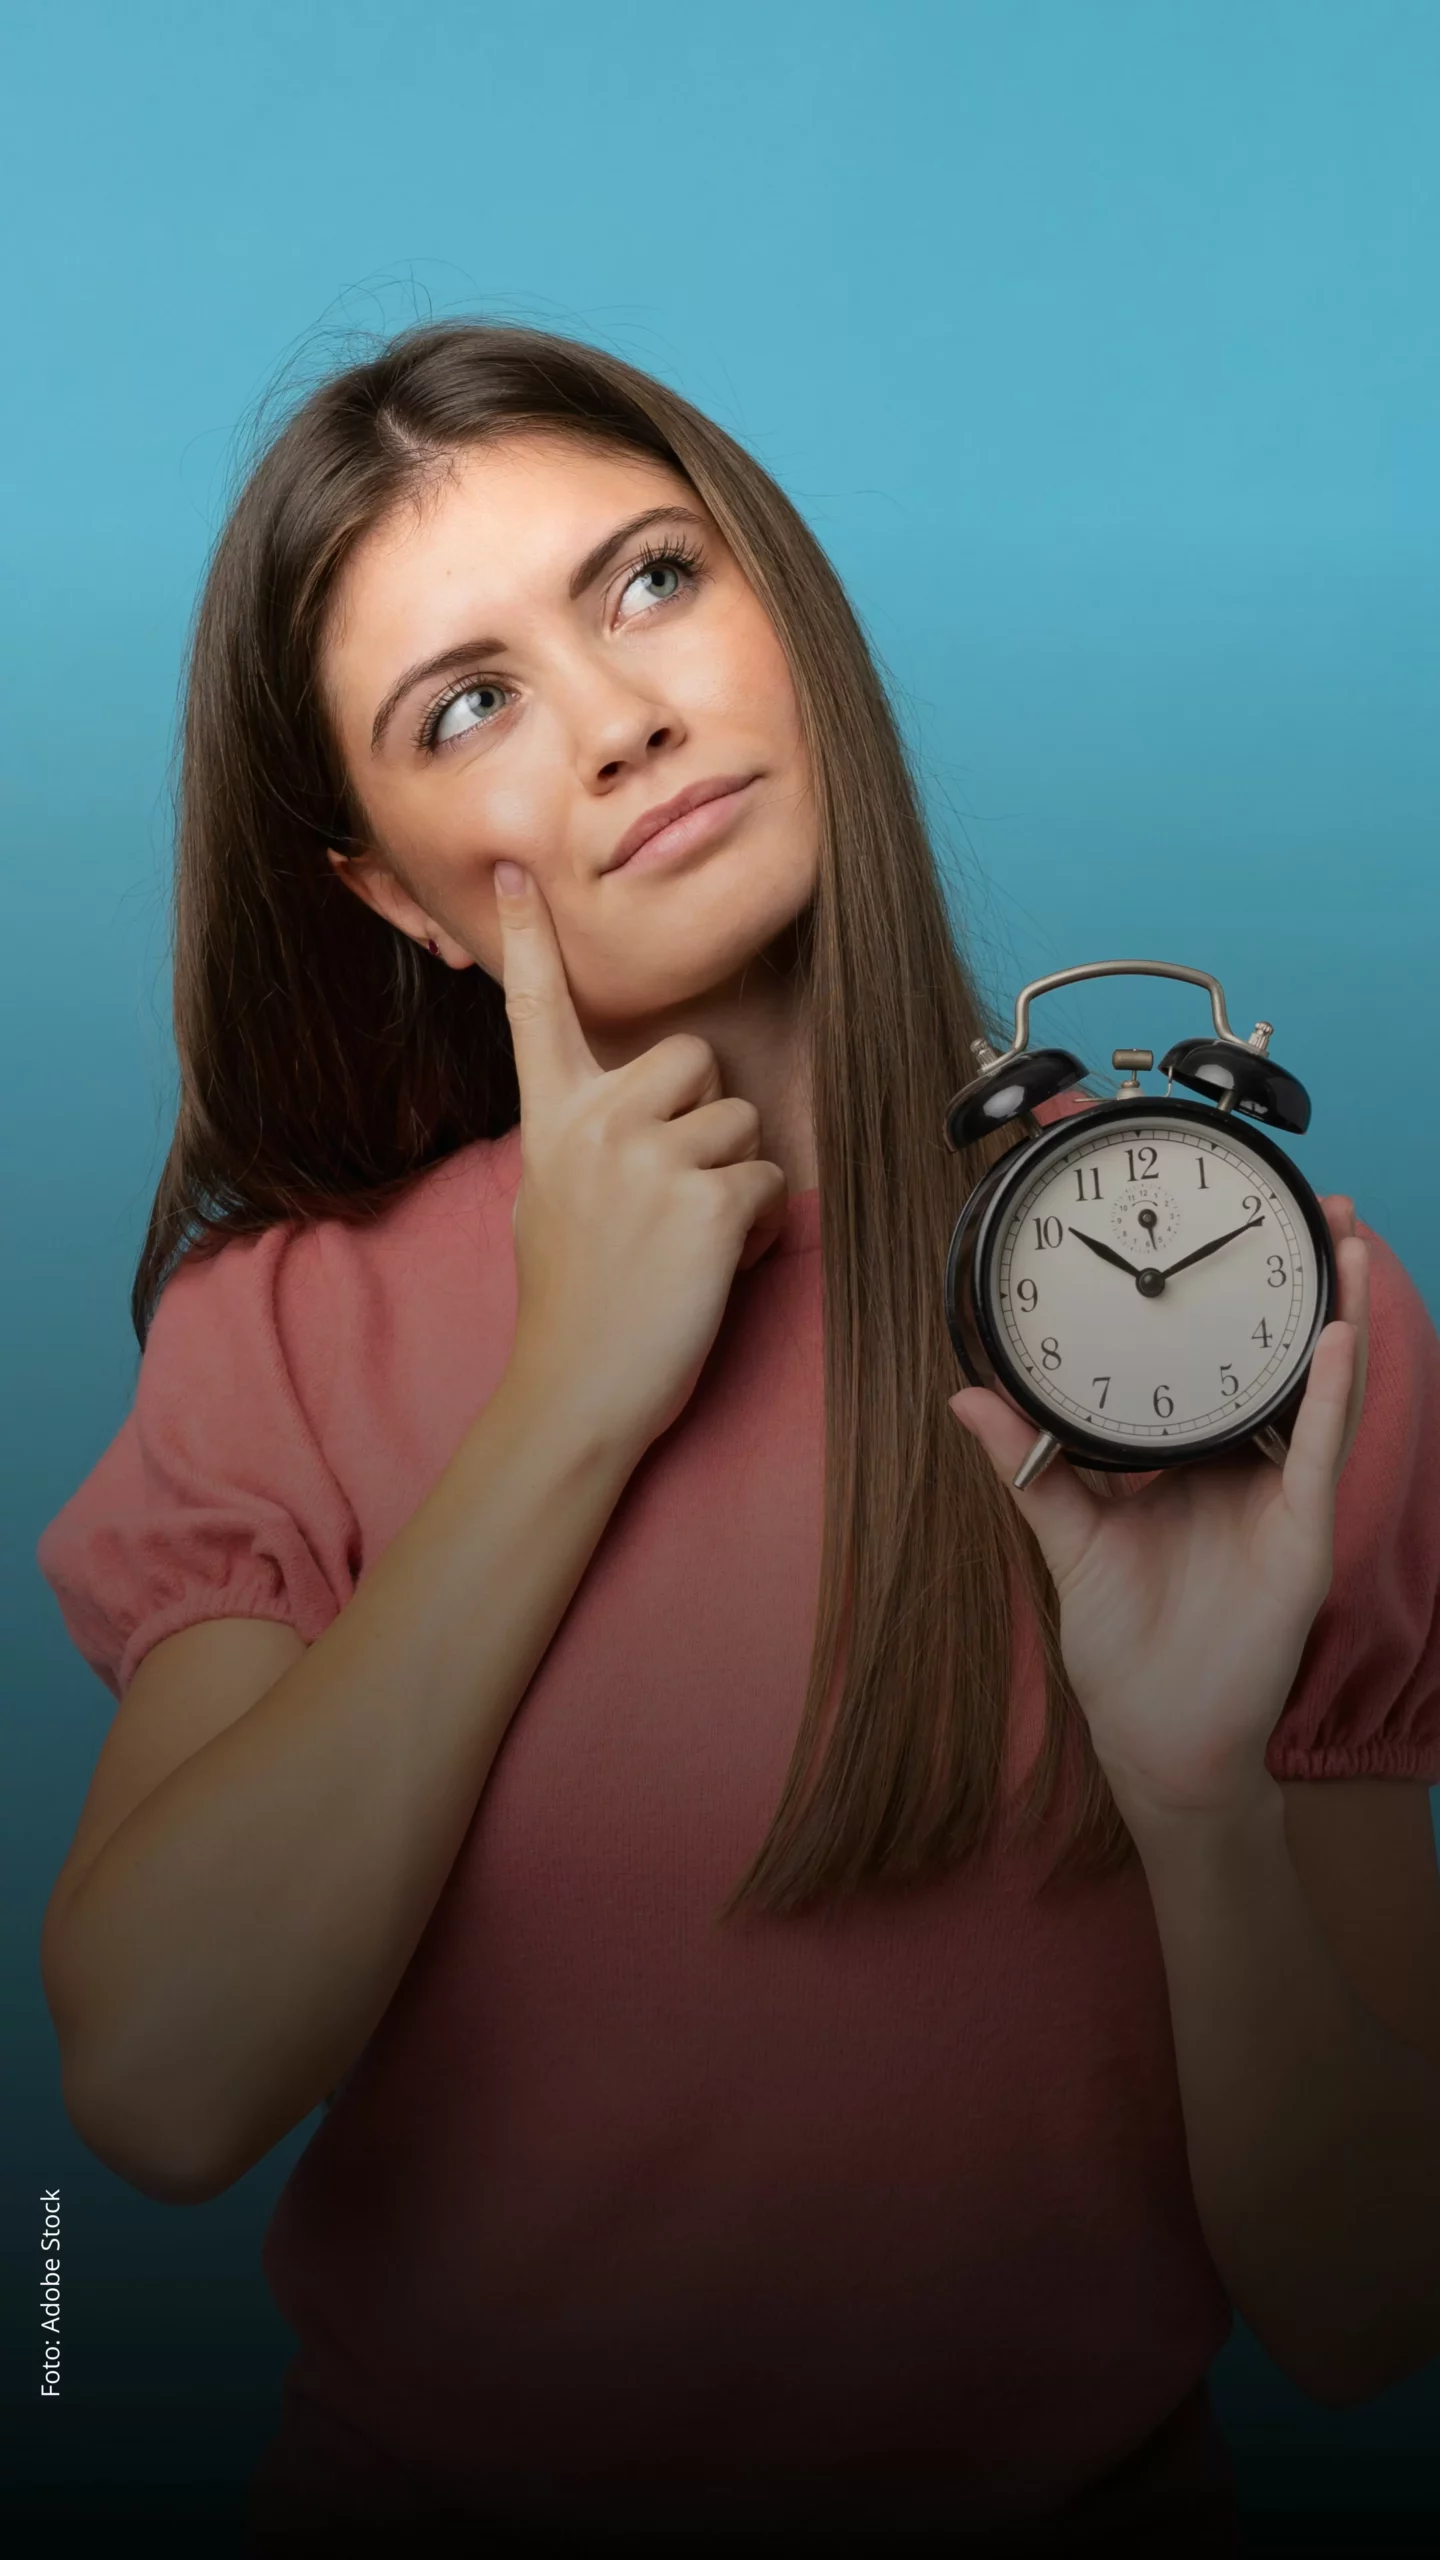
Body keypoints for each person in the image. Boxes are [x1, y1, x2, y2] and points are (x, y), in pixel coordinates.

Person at [35, 322, 1440, 2558]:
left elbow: (1367, 2312)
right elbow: (163, 2084)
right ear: (394, 893)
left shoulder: (1241, 1308)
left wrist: (1203, 1810)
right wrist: (566, 1400)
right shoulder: (291, 1333)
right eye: (467, 705)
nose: (621, 718)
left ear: (786, 600)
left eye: (652, 580)